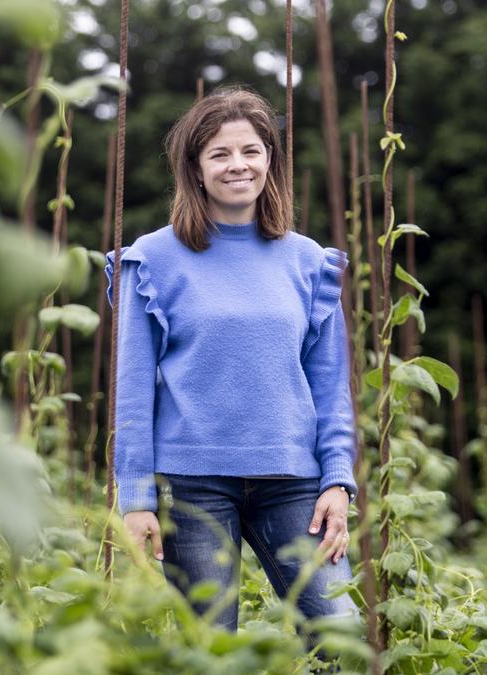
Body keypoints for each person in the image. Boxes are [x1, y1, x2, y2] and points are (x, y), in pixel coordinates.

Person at [104, 85, 362, 637]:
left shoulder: (309, 262)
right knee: (211, 648)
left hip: (294, 480)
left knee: (342, 635)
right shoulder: (151, 260)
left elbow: (330, 385)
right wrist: (135, 498)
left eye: (251, 151)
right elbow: (132, 389)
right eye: (219, 154)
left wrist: (338, 480)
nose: (237, 165)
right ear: (195, 169)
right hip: (191, 483)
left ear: (270, 160)